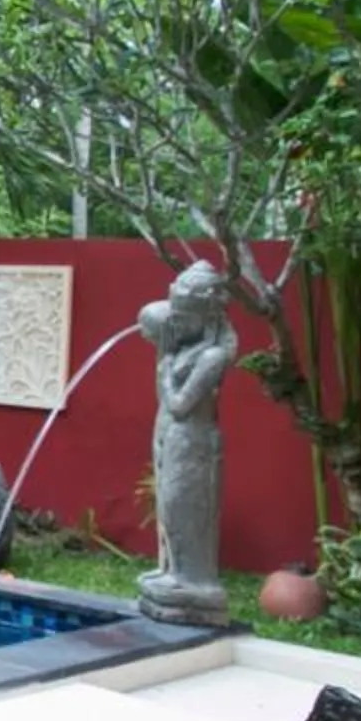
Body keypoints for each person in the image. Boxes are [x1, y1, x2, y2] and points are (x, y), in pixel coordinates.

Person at [137, 261, 237, 623]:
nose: (176, 321)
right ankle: (170, 570)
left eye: (184, 315)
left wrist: (164, 373)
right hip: (166, 433)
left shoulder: (212, 355)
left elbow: (180, 404)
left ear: (205, 316)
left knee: (184, 507)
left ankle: (192, 580)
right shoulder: (183, 347)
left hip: (191, 438)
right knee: (166, 505)